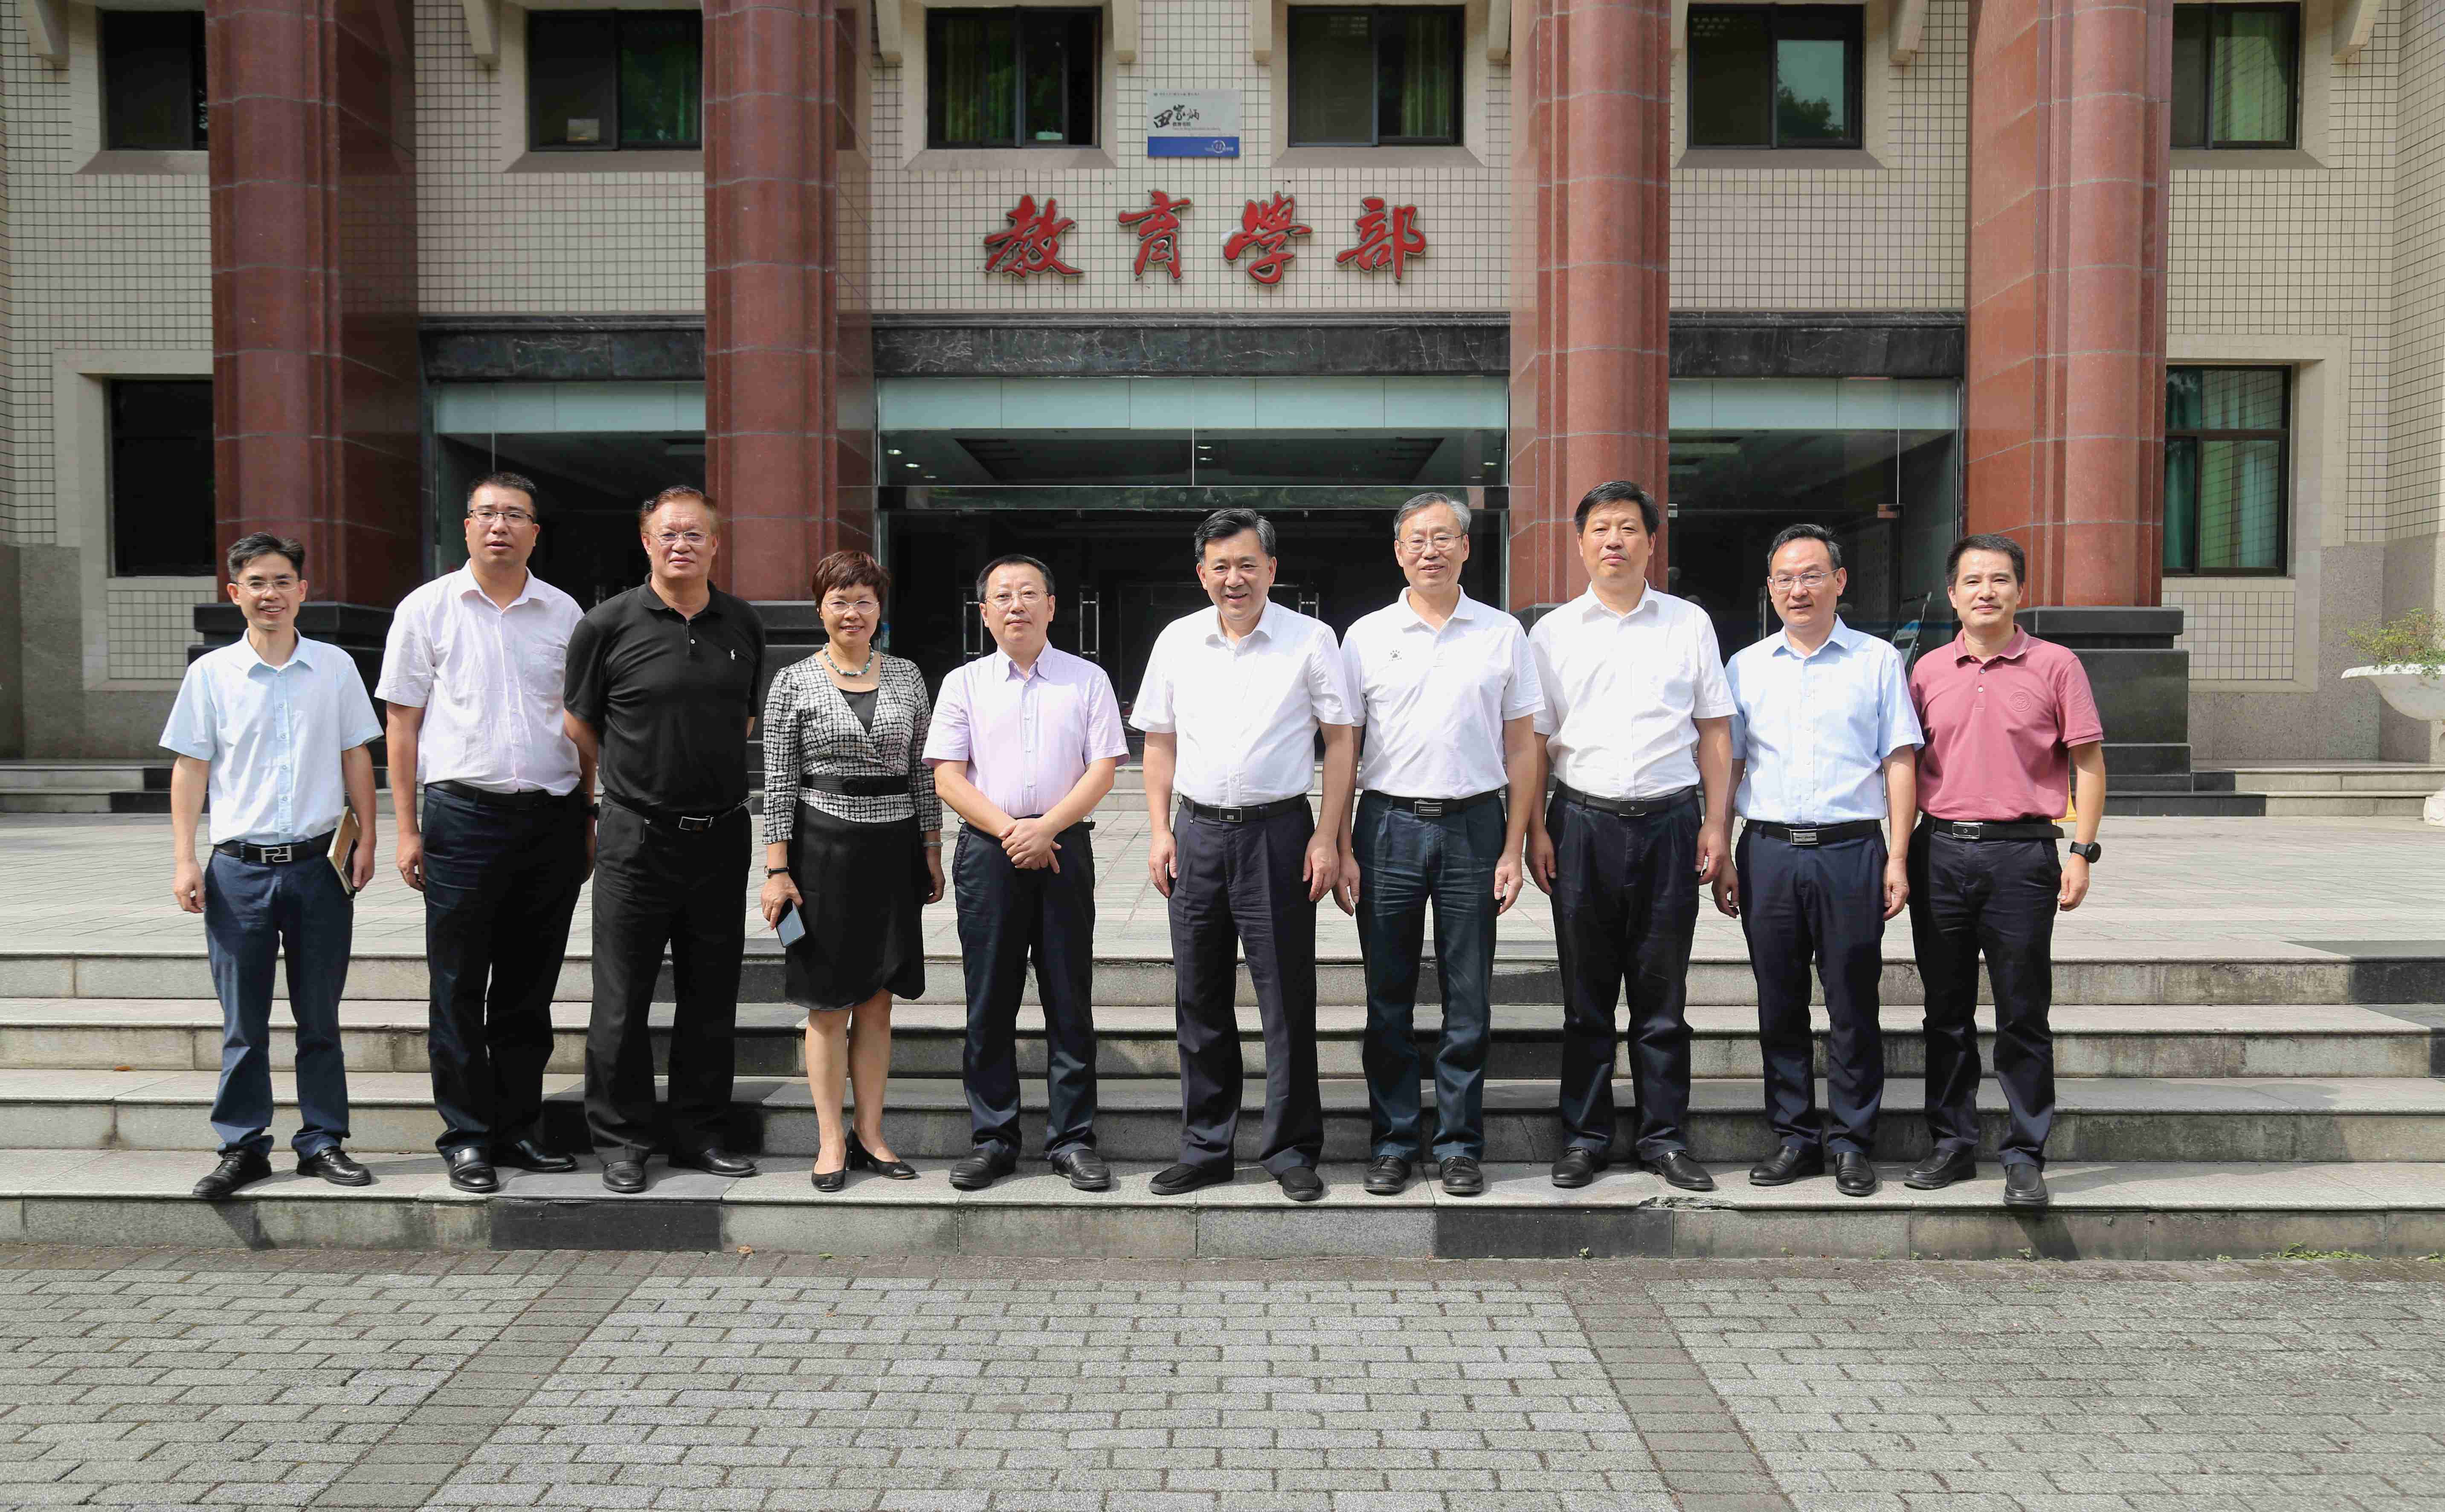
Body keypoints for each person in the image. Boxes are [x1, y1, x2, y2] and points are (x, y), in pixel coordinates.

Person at [1134, 508, 1357, 1202]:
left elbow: (1340, 739)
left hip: (1278, 835)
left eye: (1247, 565)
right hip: (1197, 835)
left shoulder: (1309, 639)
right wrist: (1160, 830)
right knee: (1198, 995)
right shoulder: (1177, 640)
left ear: (1271, 569)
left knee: (1286, 997)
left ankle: (1290, 1148)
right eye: (1221, 566)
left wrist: (1327, 835)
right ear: (1202, 573)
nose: (1235, 579)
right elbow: (1158, 742)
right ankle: (1206, 1147)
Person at [377, 473, 590, 1195]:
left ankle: (519, 1127)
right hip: (462, 817)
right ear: (466, 526)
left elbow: (581, 723)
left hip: (551, 817)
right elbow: (401, 725)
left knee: (530, 988)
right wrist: (407, 828)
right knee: (458, 984)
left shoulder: (564, 612)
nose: (500, 526)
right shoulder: (427, 608)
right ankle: (467, 1136)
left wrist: (587, 812)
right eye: (487, 514)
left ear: (535, 532)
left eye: (515, 515)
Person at [1526, 480, 1734, 1193]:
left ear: (1650, 541)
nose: (1613, 539)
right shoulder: (1552, 632)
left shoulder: (1687, 623)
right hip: (1579, 824)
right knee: (1585, 998)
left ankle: (1663, 1138)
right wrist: (1534, 828)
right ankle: (1584, 1138)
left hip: (1671, 824)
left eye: (1627, 527)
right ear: (1580, 542)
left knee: (1661, 996)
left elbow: (1714, 730)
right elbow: (1534, 740)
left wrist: (1716, 823)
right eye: (1600, 528)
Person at [163, 533, 381, 1200]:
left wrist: (369, 838)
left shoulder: (335, 667)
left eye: (283, 581)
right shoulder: (211, 674)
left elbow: (356, 755)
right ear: (235, 593)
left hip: (319, 868)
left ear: (302, 591)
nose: (271, 594)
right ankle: (243, 1145)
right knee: (243, 1022)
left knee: (320, 1018)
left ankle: (323, 1140)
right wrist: (184, 858)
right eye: (256, 582)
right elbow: (191, 766)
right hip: (239, 872)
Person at [1337, 493, 1543, 1198]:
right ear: (1398, 552)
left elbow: (1523, 746)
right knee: (1386, 996)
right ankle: (1394, 1141)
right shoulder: (1366, 635)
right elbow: (1344, 746)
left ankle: (1458, 1144)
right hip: (1386, 825)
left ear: (1465, 547)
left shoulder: (1501, 633)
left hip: (1474, 825)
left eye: (1443, 537)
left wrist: (1513, 846)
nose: (1430, 550)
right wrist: (1340, 841)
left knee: (1469, 996)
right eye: (1417, 539)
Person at [564, 486, 766, 1194]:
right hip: (636, 838)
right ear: (647, 543)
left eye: (695, 533)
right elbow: (579, 722)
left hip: (721, 834)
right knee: (621, 998)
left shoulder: (742, 621)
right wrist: (632, 778)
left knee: (711, 995)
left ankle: (700, 1133)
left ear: (716, 543)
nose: (681, 544)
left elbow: (744, 717)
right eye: (668, 534)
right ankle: (622, 1140)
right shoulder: (606, 624)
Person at [1711, 523, 1922, 1198]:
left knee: (1853, 1002)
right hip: (1769, 850)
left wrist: (1897, 854)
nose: (1796, 589)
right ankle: (1794, 1137)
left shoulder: (1876, 661)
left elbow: (1899, 759)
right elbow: (1729, 762)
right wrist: (1721, 844)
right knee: (1779, 1003)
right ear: (1769, 589)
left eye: (1810, 575)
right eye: (1784, 578)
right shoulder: (1745, 666)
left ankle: (1852, 1141)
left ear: (1839, 580)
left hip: (1850, 850)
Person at [1905, 533, 2106, 1210]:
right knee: (1945, 1010)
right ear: (1952, 594)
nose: (1984, 591)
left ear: (2021, 590)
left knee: (2022, 1010)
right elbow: (1903, 766)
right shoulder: (1926, 670)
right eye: (1971, 581)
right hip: (1938, 852)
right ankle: (1951, 1143)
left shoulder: (2056, 665)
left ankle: (2024, 1153)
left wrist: (2081, 851)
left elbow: (2087, 763)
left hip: (2021, 856)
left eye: (1998, 579)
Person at [925, 555, 1127, 1192]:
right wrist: (1013, 830)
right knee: (990, 1000)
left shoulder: (1087, 680)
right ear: (984, 612)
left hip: (1065, 846)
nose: (1017, 605)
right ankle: (994, 1139)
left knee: (1069, 998)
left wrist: (1047, 828)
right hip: (989, 853)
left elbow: (1102, 768)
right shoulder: (963, 683)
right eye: (1003, 596)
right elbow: (947, 776)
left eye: (1029, 593)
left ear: (1051, 606)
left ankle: (1073, 1139)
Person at [757, 551, 943, 1191]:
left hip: (894, 849)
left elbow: (923, 769)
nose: (852, 612)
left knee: (878, 1001)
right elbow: (778, 779)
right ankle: (830, 1140)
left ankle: (871, 1132)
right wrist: (776, 869)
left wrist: (931, 846)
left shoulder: (908, 676)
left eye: (864, 600)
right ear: (820, 609)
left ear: (879, 608)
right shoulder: (792, 681)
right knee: (828, 1003)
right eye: (839, 601)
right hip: (821, 852)